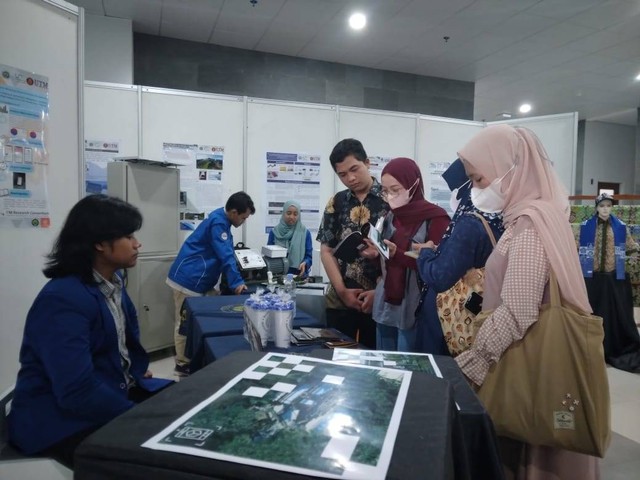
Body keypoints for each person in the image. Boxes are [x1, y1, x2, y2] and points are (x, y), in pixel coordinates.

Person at [454, 124, 599, 479]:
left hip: (527, 363)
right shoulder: (534, 218)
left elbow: (519, 308)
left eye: (480, 180)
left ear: (511, 169)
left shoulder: (530, 226)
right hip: (526, 358)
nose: (476, 191)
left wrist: (475, 359)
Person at [8, 194, 173, 468]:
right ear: (99, 243)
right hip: (60, 421)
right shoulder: (63, 299)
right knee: (164, 459)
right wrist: (135, 417)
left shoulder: (112, 281)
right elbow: (76, 391)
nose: (137, 243)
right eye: (128, 236)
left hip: (110, 392)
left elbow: (116, 343)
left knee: (187, 409)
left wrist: (130, 369)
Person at [414, 159, 504, 355]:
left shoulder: (469, 223)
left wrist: (426, 253)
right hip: (480, 314)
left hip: (448, 323)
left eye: (476, 179)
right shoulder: (503, 216)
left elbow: (440, 276)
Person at [166, 191, 254, 376]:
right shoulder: (219, 223)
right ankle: (182, 364)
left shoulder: (222, 220)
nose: (243, 222)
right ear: (233, 212)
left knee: (209, 318)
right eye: (243, 217)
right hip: (188, 279)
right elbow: (226, 255)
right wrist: (237, 282)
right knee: (185, 323)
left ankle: (200, 358)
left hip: (202, 281)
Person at [368, 157, 449, 351]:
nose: (390, 196)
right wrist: (375, 254)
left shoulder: (436, 218)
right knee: (383, 364)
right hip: (387, 299)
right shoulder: (389, 215)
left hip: (414, 301)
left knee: (408, 364)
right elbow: (385, 259)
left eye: (395, 190)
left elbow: (437, 267)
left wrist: (399, 254)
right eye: (385, 191)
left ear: (414, 184)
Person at [317, 138, 389, 348]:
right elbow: (326, 250)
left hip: (379, 298)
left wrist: (380, 292)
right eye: (342, 174)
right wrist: (341, 291)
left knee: (374, 364)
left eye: (354, 169)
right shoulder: (336, 202)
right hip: (340, 298)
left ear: (367, 162)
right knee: (335, 361)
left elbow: (398, 252)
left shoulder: (389, 198)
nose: (350, 178)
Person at [579, 192, 640, 372]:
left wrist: (636, 251)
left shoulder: (620, 227)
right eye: (602, 206)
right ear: (596, 208)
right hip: (593, 278)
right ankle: (592, 348)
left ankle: (613, 346)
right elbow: (577, 247)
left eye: (609, 206)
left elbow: (630, 245)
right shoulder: (586, 227)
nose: (606, 209)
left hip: (613, 277)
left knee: (614, 314)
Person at [267, 200, 313, 277]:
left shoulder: (305, 233)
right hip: (278, 276)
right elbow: (269, 255)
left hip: (298, 275)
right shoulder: (274, 232)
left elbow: (309, 256)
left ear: (299, 216)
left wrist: (305, 263)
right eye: (288, 213)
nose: (291, 217)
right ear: (283, 213)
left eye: (295, 214)